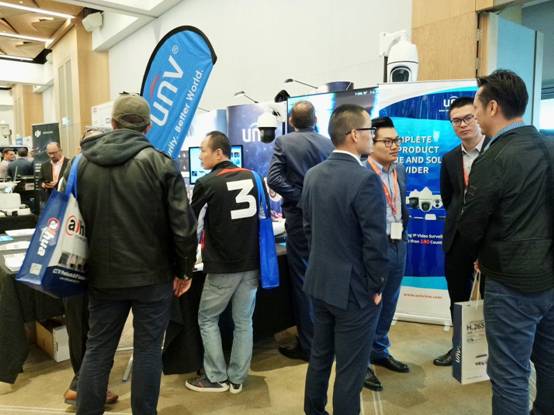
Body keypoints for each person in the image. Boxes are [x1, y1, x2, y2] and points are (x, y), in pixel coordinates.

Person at [74, 94, 197, 414]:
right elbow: (183, 227)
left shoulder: (83, 163)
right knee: (147, 350)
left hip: (101, 275)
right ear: (148, 126)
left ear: (113, 123)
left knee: (98, 349)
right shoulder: (160, 163)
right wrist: (184, 270)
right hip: (152, 276)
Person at [458, 69, 554, 415]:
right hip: (549, 278)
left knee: (510, 374)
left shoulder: (493, 158)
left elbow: (471, 225)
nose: (474, 115)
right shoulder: (549, 145)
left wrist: (477, 255)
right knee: (549, 362)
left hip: (511, 285)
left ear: (493, 107)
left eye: (476, 108)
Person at [302, 104, 389, 415]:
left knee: (320, 356)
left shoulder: (312, 175)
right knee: (351, 372)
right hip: (354, 291)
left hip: (319, 282)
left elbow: (308, 229)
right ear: (354, 134)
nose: (372, 136)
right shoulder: (365, 180)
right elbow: (375, 243)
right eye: (369, 131)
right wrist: (376, 286)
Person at [186, 131, 263, 394]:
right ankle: (237, 378)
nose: (200, 156)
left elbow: (192, 226)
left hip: (222, 266)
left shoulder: (206, 183)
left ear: (218, 153)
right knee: (244, 321)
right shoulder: (254, 177)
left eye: (203, 150)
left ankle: (216, 377)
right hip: (252, 263)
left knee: (207, 318)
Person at [267, 100, 334, 361]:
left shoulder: (284, 142)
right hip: (326, 220)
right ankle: (326, 340)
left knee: (304, 281)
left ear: (291, 121)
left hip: (299, 220)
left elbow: (274, 178)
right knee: (325, 280)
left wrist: (301, 197)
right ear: (315, 120)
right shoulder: (328, 143)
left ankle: (310, 345)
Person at [434, 97, 489, 367]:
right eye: (456, 121)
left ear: (478, 116)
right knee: (457, 298)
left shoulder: (496, 150)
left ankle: (490, 354)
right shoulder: (450, 158)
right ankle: (459, 349)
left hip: (489, 240)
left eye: (468, 118)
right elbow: (449, 198)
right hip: (457, 240)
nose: (463, 124)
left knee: (491, 300)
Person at [363, 116, 409, 392]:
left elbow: (400, 205)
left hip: (398, 243)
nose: (395, 146)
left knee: (390, 301)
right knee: (370, 305)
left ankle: (379, 349)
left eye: (397, 141)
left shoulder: (398, 169)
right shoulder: (361, 174)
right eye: (388, 141)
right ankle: (362, 362)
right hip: (374, 248)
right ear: (371, 143)